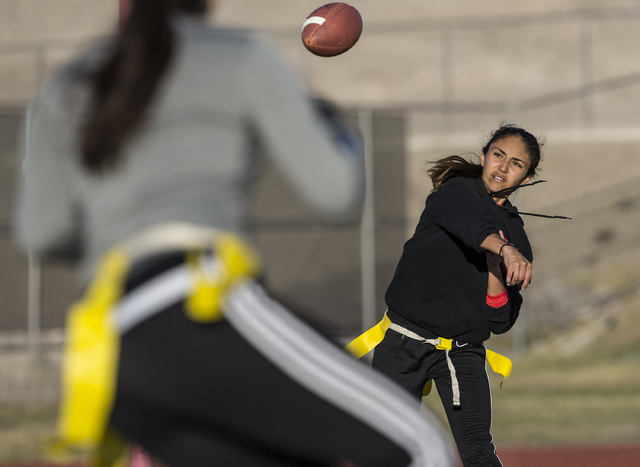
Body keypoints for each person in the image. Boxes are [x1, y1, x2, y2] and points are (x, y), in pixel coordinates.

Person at [13, 1, 453, 466]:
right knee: (416, 444)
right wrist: (330, 126)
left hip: (113, 346)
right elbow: (337, 195)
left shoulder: (67, 84)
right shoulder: (240, 57)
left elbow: (41, 232)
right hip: (198, 307)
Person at [367, 125, 542, 467]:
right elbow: (473, 225)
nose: (503, 167)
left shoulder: (517, 236)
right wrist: (503, 250)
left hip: (462, 351)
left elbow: (501, 320)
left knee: (478, 451)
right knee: (388, 446)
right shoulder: (455, 192)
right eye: (498, 155)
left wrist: (495, 265)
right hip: (404, 341)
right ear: (483, 157)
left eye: (516, 164)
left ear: (527, 176)